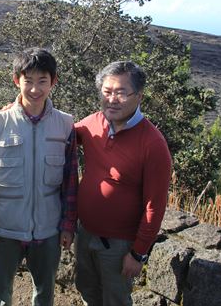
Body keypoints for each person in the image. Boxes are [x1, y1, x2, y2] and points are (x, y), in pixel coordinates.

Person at [0, 47, 78, 306]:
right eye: (28, 80)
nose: (34, 88)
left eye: (42, 81)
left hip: (49, 227)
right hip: (4, 229)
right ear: (16, 80)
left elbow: (70, 180)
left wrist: (67, 224)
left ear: (54, 81)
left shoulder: (65, 125)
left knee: (45, 294)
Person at [74, 61, 172, 306]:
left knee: (115, 300)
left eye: (121, 92)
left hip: (119, 245)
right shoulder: (92, 123)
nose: (112, 99)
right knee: (87, 290)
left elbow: (155, 205)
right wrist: (21, 109)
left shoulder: (153, 143)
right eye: (107, 92)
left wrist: (138, 253)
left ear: (138, 96)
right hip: (84, 233)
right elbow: (55, 133)